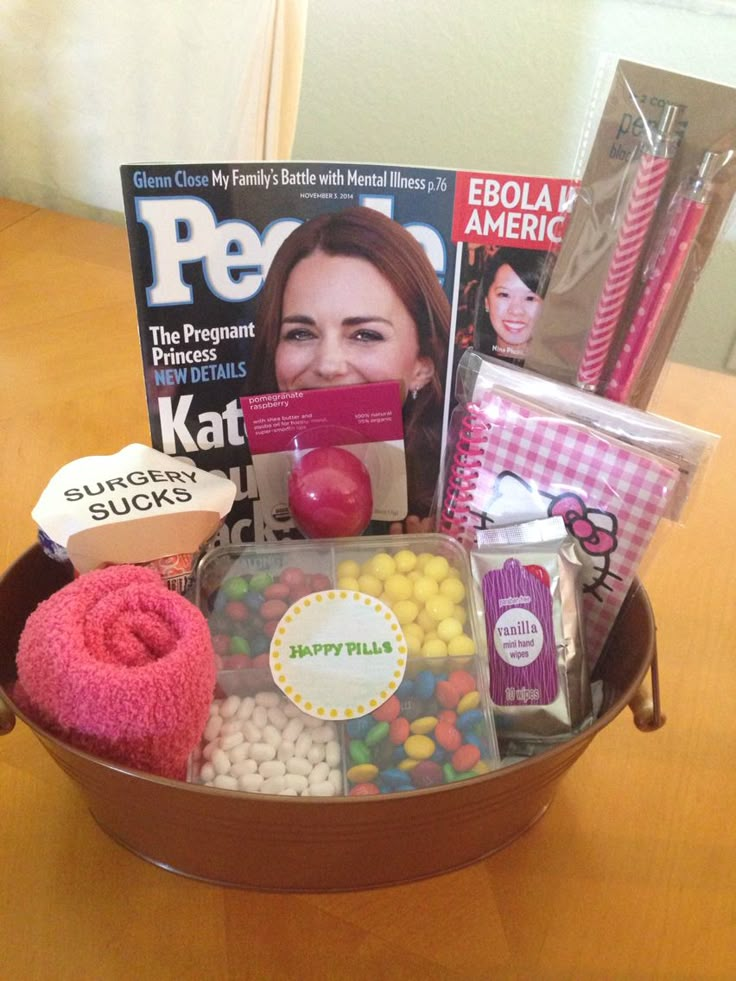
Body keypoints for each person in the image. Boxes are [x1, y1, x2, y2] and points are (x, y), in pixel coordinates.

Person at [244, 206, 451, 531]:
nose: (328, 364)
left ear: (423, 364)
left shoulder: (458, 500)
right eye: (300, 333)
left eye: (365, 334)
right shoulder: (230, 486)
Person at [473, 247, 554, 364]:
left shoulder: (562, 373)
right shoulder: (464, 362)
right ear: (486, 302)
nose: (516, 310)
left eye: (530, 298)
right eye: (504, 295)